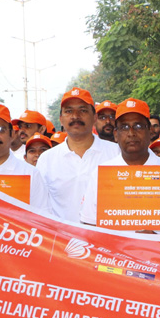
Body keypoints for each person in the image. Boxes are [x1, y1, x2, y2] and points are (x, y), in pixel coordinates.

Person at [36, 88, 121, 223]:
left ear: (94, 117)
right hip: (61, 241)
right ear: (61, 119)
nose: (75, 116)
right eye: (69, 111)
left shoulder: (116, 153)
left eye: (82, 110)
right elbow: (40, 208)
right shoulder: (47, 159)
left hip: (105, 240)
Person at [81, 98, 160, 225]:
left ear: (150, 131)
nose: (131, 133)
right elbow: (89, 224)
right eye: (124, 127)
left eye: (138, 126)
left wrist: (156, 239)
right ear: (116, 134)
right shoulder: (101, 175)